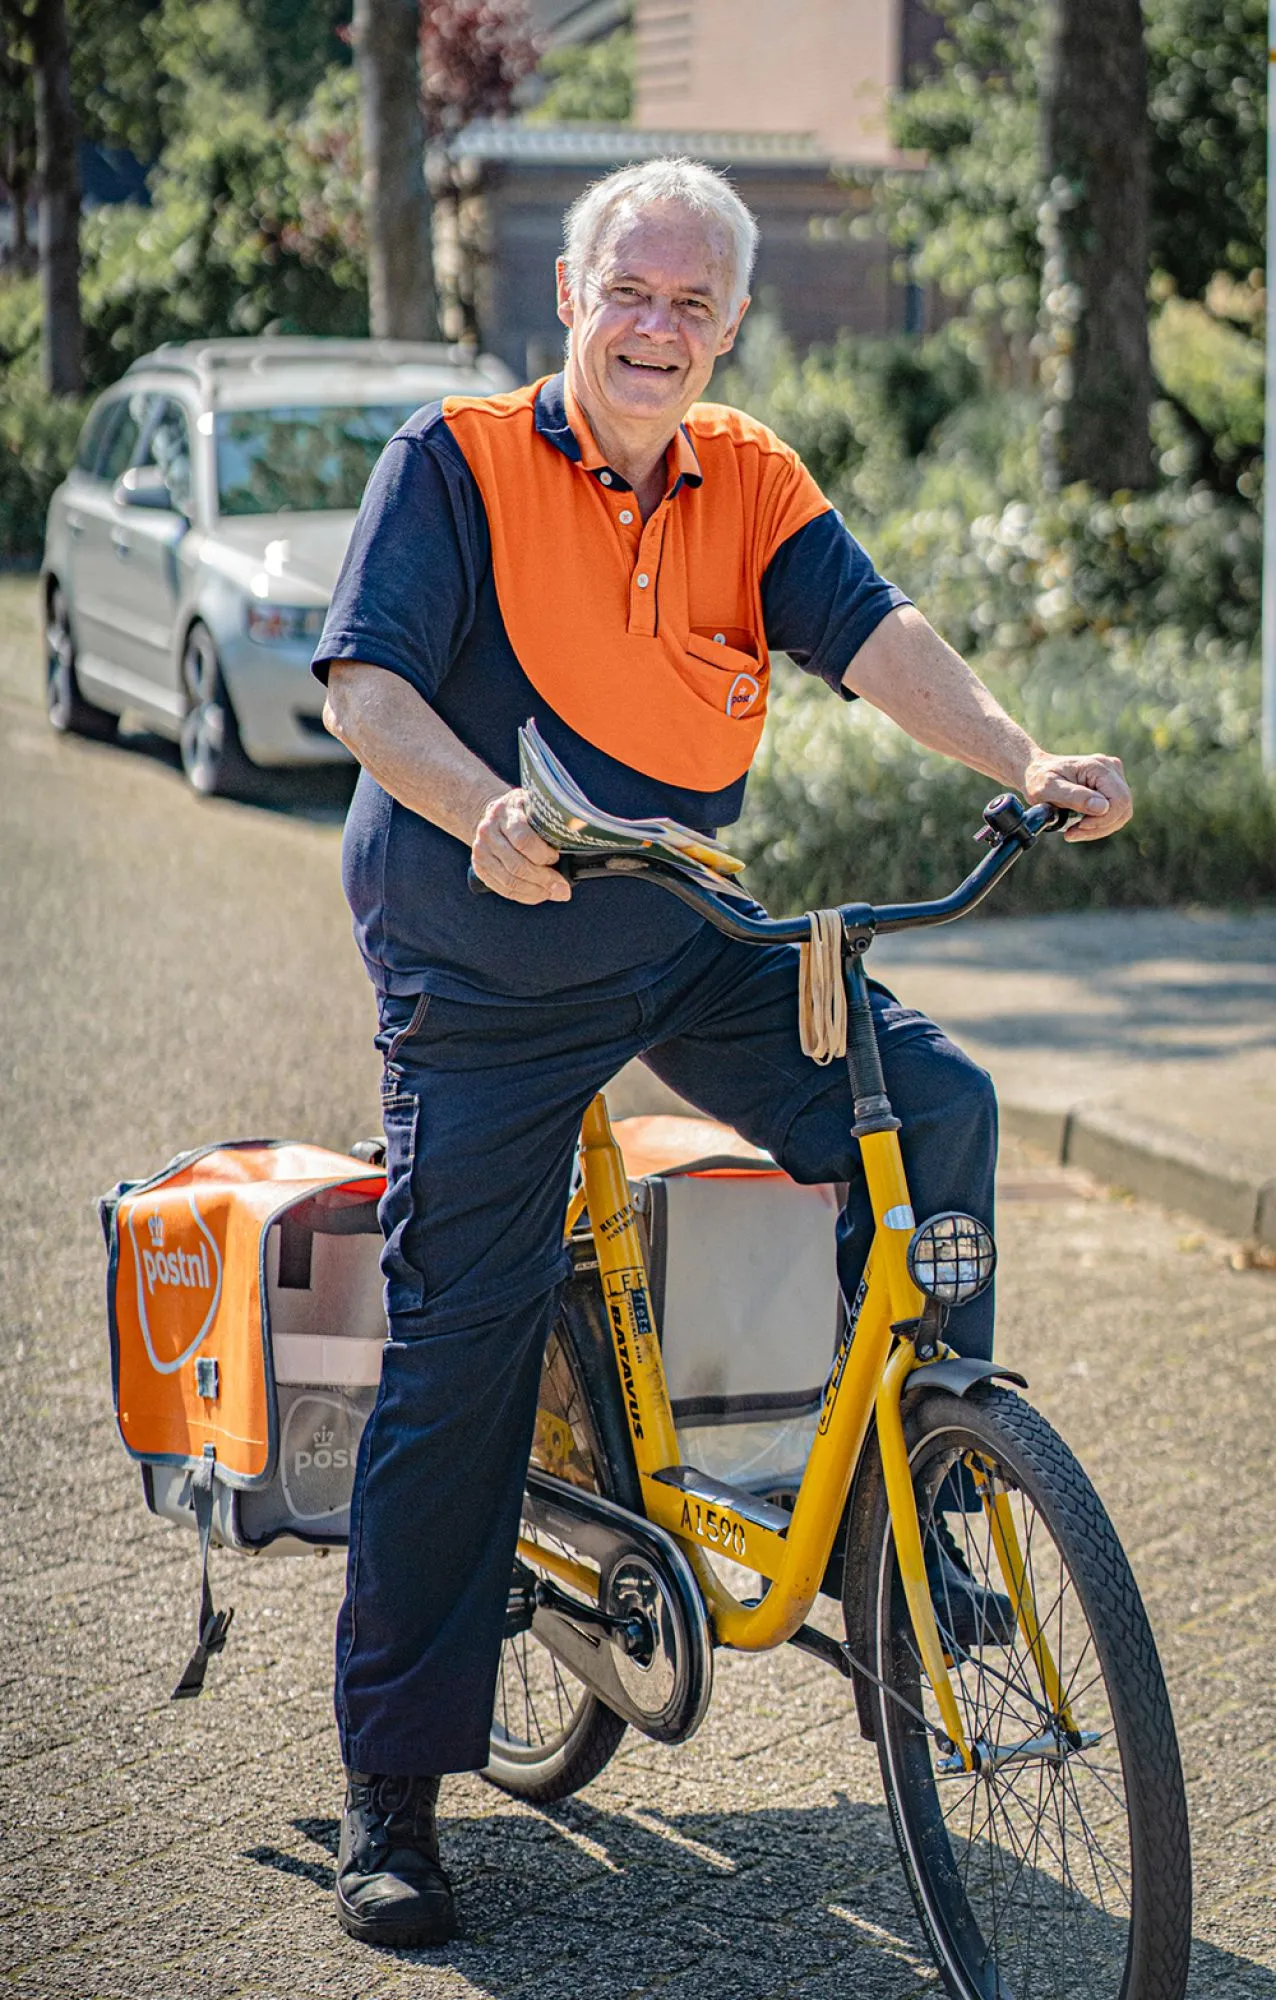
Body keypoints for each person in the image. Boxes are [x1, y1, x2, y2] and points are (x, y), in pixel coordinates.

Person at [312, 157, 1131, 1949]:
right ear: (570, 297)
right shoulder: (450, 464)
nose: (659, 329)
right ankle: (399, 1785)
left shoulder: (747, 475)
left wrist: (1016, 757)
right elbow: (362, 692)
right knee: (463, 1343)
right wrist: (481, 812)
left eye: (694, 305)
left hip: (686, 931)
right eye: (633, 292)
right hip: (489, 967)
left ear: (731, 326)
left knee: (940, 1104)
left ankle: (908, 1518)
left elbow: (879, 637)